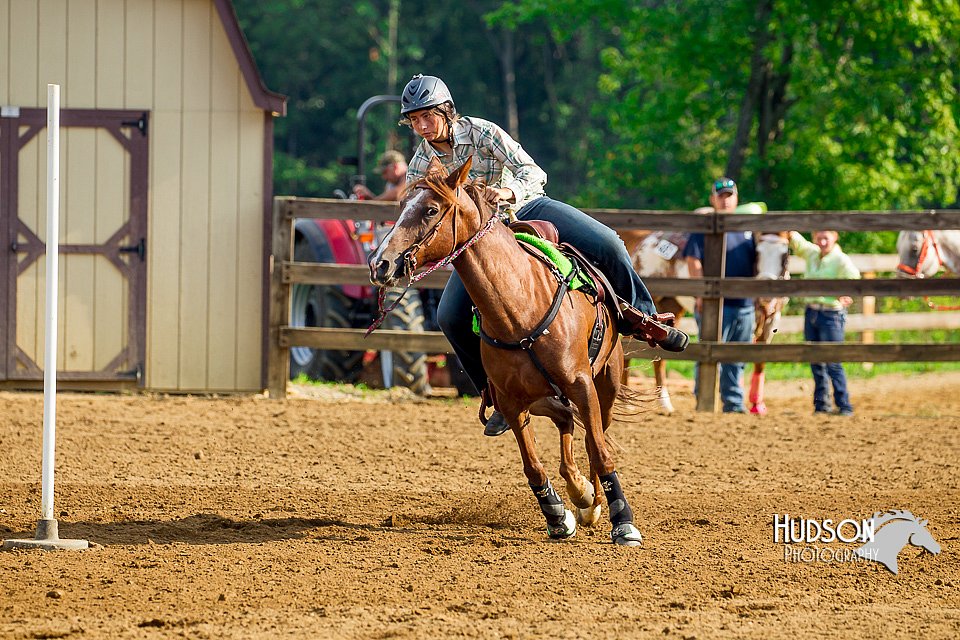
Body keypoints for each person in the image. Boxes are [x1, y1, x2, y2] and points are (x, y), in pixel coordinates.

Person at [397, 74, 687, 436]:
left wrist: (507, 192)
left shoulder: (483, 132)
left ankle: (644, 318)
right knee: (449, 318)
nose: (422, 126)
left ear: (447, 111)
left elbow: (532, 171)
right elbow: (416, 210)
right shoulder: (421, 164)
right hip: (479, 240)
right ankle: (497, 395)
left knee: (608, 241)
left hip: (529, 207)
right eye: (414, 120)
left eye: (428, 116)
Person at [683, 177, 757, 413]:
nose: (726, 200)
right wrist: (701, 294)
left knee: (738, 354)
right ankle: (704, 398)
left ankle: (733, 402)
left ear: (736, 198)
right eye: (721, 196)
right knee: (708, 352)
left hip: (745, 303)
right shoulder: (705, 226)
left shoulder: (747, 228)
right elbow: (693, 259)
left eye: (730, 195)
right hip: (716, 304)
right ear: (713, 199)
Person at [789, 230, 860, 416]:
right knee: (815, 360)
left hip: (831, 315)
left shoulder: (841, 260)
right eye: (818, 238)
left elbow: (854, 278)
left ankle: (844, 405)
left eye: (825, 238)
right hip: (812, 311)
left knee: (833, 360)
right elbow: (797, 242)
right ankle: (822, 405)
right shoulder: (812, 253)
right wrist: (788, 230)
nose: (822, 242)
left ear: (835, 237)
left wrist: (845, 292)